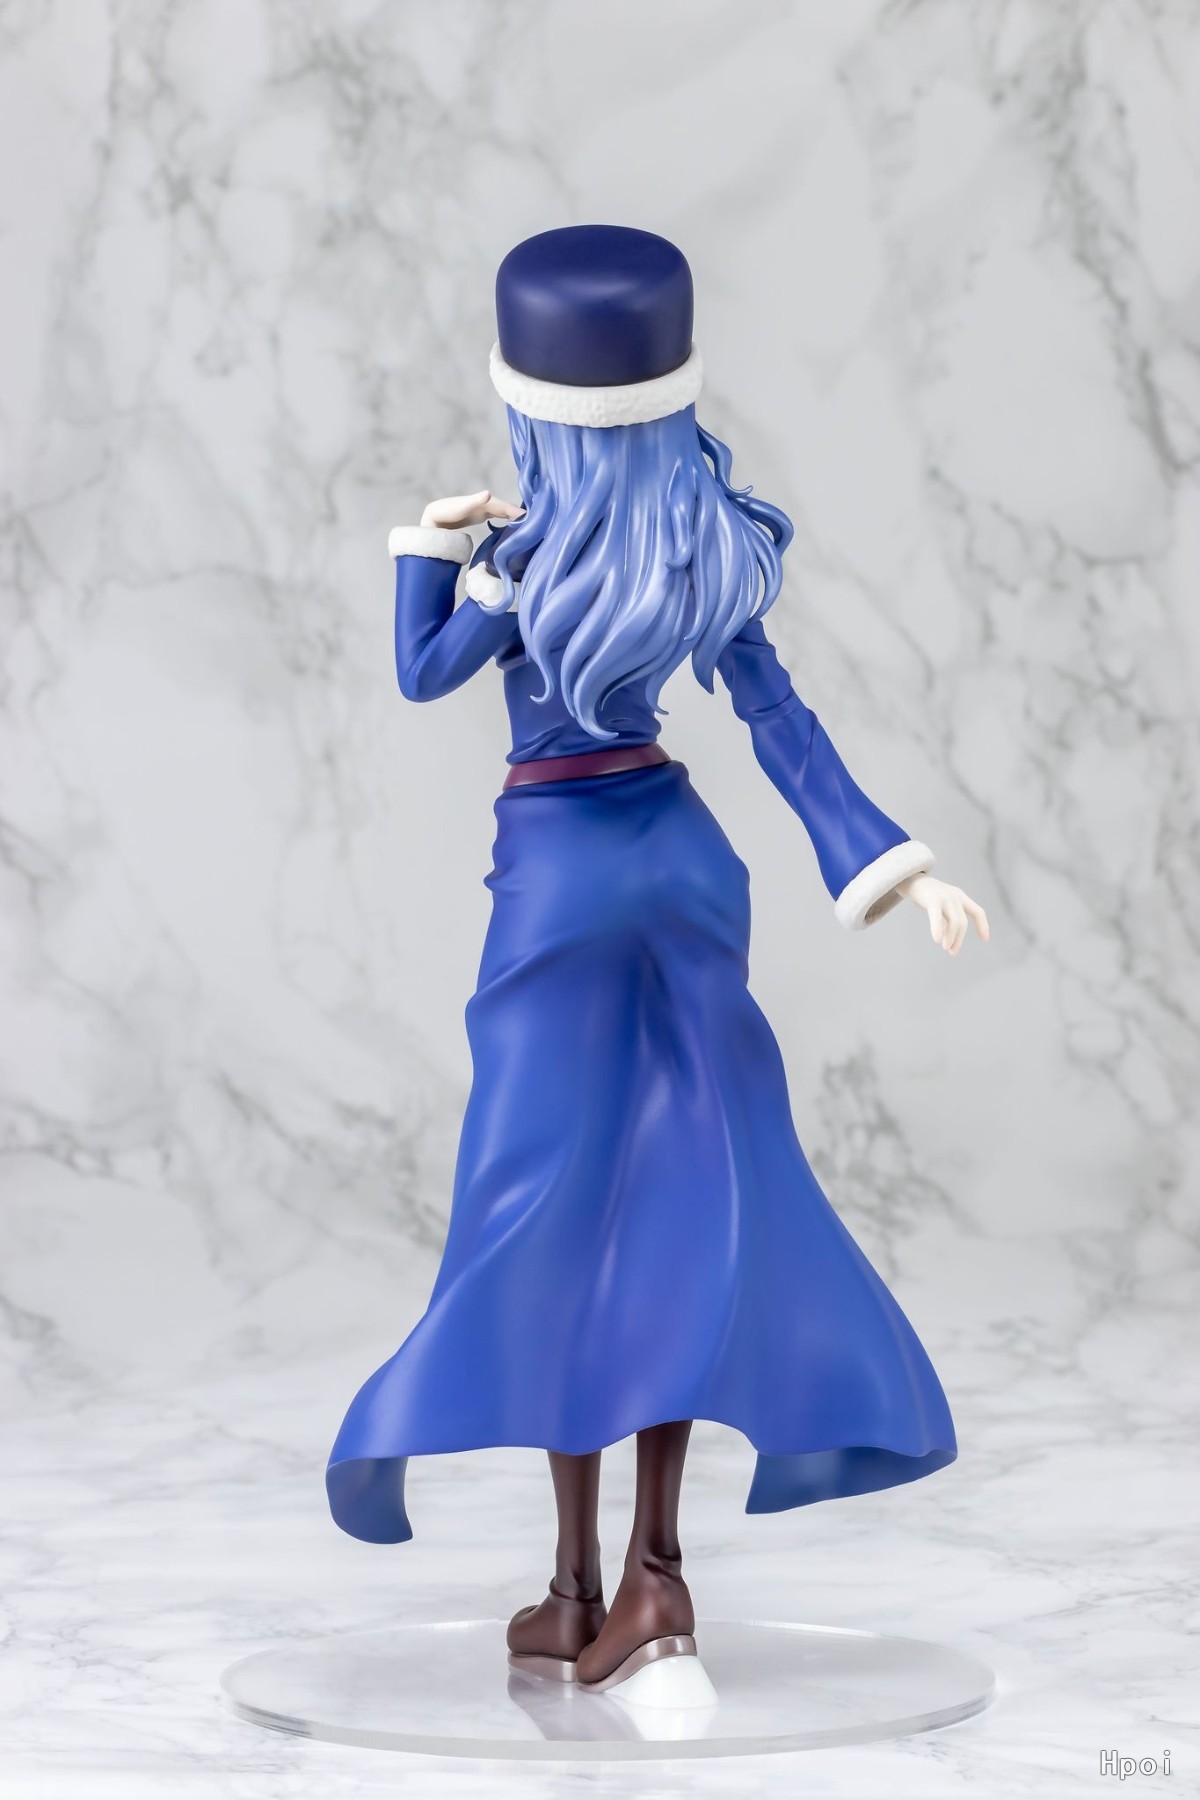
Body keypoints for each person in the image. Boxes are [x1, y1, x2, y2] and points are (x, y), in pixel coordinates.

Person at [326, 226, 988, 1698]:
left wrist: (439, 549)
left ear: (529, 409)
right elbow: (780, 723)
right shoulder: (702, 544)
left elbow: (422, 675)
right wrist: (895, 867)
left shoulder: (524, 560)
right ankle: (644, 1579)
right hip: (684, 866)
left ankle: (584, 1585)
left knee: (551, 1221)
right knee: (683, 1201)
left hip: (561, 882)